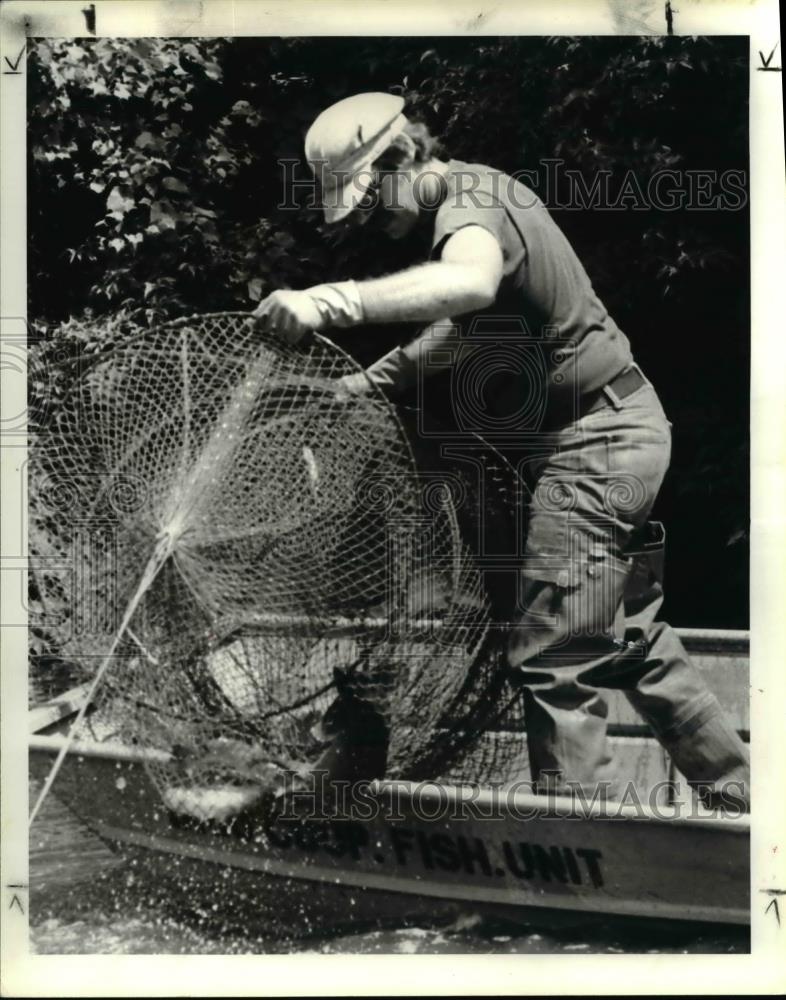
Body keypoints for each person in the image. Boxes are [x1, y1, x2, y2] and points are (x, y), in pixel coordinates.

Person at [252, 92, 749, 809]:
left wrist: (330, 301)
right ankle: (747, 810)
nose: (371, 220)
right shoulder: (469, 207)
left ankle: (582, 857)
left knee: (551, 649)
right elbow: (460, 328)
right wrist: (369, 384)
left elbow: (471, 281)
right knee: (626, 634)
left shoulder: (470, 201)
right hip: (607, 433)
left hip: (599, 438)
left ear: (401, 157)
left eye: (370, 200)